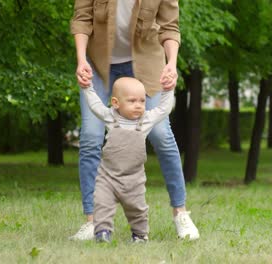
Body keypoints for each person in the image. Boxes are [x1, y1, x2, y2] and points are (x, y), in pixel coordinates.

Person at [70, 0, 199, 241]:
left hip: (146, 61)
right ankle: (92, 220)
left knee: (161, 133)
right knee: (90, 136)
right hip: (98, 64)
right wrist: (81, 59)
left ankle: (180, 212)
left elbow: (170, 27)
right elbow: (81, 19)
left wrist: (171, 64)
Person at [82, 77, 173, 243]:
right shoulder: (111, 117)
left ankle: (139, 235)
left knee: (137, 209)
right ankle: (102, 232)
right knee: (102, 203)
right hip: (108, 177)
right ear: (116, 103)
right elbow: (95, 106)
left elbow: (163, 109)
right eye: (132, 101)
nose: (138, 105)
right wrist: (88, 88)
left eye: (142, 101)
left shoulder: (146, 119)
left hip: (134, 179)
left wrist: (168, 90)